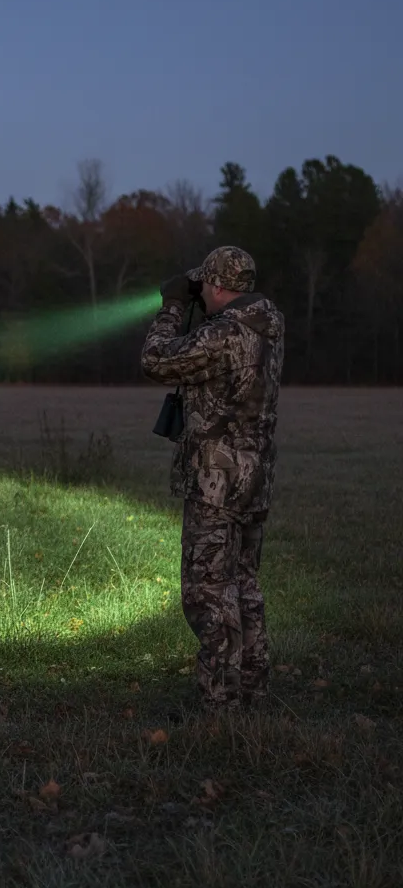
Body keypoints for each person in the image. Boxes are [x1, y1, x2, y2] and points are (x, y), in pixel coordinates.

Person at [140, 246, 285, 713]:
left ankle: (218, 705)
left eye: (206, 284)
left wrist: (173, 305)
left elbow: (157, 359)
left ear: (219, 285)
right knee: (243, 583)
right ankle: (252, 691)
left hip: (217, 480)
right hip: (254, 475)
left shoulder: (222, 334)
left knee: (208, 590)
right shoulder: (267, 325)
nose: (201, 289)